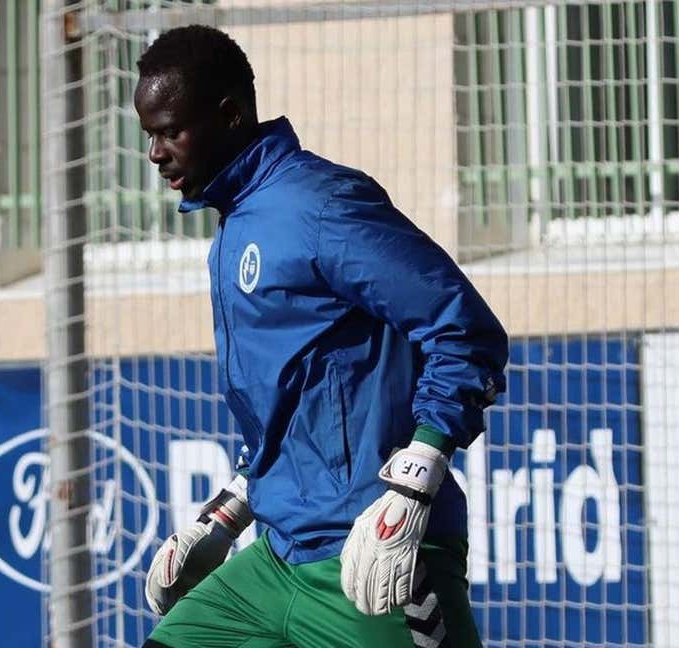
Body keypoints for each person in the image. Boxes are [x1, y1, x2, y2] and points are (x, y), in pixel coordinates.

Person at [135, 25, 508, 648]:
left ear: (228, 115)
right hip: (279, 555)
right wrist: (227, 517)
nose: (156, 153)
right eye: (149, 135)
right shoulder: (234, 227)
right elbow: (293, 405)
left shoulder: (322, 206)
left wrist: (414, 484)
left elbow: (465, 329)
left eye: (171, 130)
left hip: (373, 551)